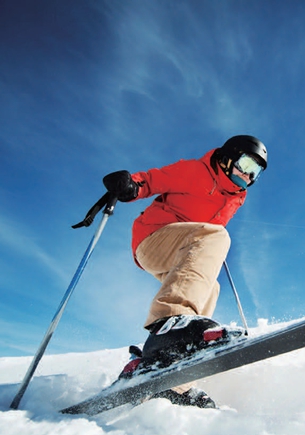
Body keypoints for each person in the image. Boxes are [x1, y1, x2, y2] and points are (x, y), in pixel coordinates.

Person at [102, 135, 268, 408]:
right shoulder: (196, 170)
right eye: (246, 163)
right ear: (228, 157)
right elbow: (153, 179)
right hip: (153, 238)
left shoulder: (237, 198)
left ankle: (169, 377)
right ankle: (169, 325)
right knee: (217, 237)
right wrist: (132, 185)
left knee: (211, 286)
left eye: (256, 171)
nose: (248, 175)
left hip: (184, 248)